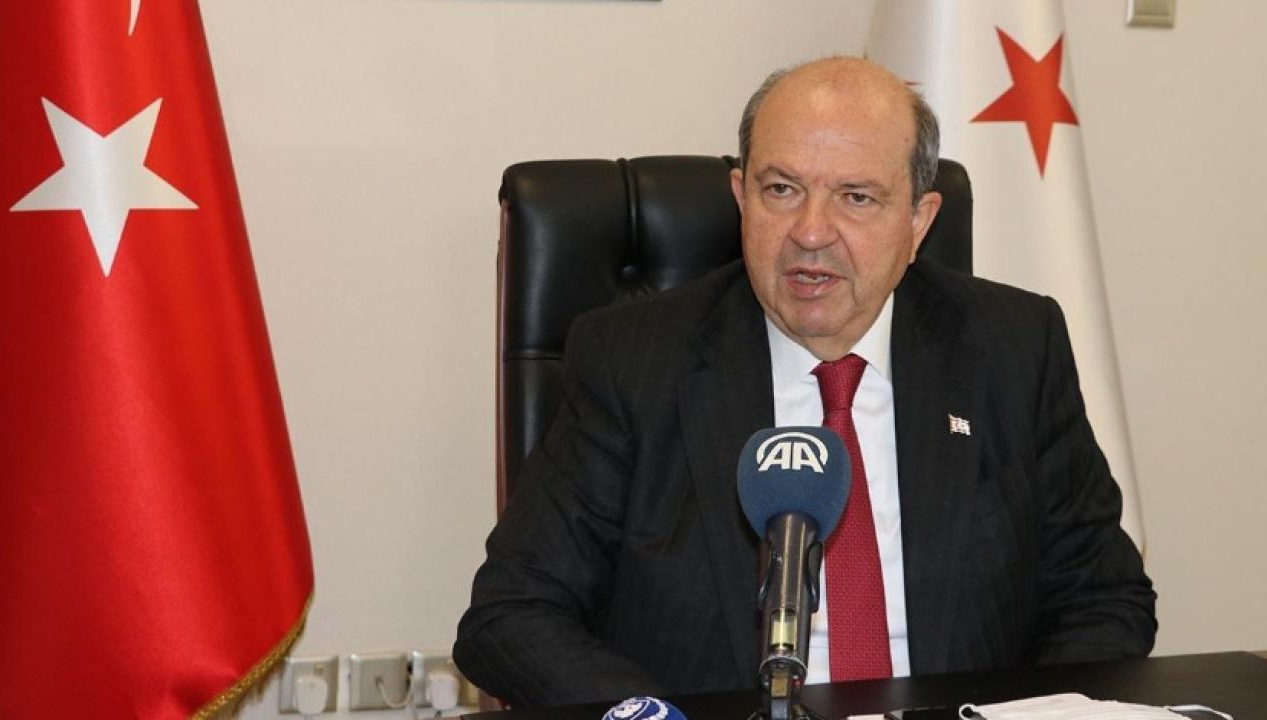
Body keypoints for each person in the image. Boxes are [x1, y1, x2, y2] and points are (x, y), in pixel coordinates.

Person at [454, 57, 1156, 709]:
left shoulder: (1013, 349)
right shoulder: (632, 362)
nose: (811, 232)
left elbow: (1104, 599)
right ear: (741, 196)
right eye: (782, 189)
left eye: (856, 197)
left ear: (918, 221)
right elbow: (511, 615)